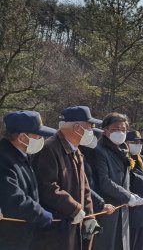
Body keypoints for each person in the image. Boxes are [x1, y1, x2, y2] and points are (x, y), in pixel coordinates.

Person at [31, 106, 99, 250]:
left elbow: (84, 187)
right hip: (55, 228)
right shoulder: (49, 148)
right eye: (89, 126)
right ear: (77, 128)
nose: (91, 131)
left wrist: (90, 216)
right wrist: (74, 208)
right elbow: (47, 187)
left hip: (72, 224)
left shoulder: (76, 150)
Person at [0, 111, 56, 249]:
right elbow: (13, 199)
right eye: (38, 135)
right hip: (9, 238)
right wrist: (40, 214)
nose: (41, 138)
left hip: (23, 235)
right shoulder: (4, 159)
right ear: (22, 137)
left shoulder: (21, 155)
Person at [92, 113, 143, 250]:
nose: (120, 133)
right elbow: (104, 181)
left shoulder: (122, 151)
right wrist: (128, 196)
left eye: (123, 130)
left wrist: (132, 195)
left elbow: (122, 181)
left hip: (122, 210)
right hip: (107, 211)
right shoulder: (100, 151)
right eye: (115, 129)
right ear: (105, 130)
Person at [125, 131, 143, 250]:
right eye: (135, 142)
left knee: (141, 245)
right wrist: (131, 196)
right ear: (126, 143)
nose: (138, 144)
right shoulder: (125, 160)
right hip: (131, 214)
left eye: (140, 142)